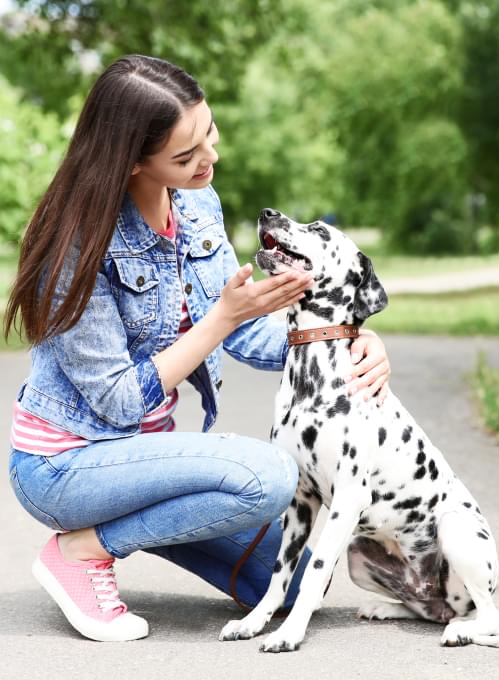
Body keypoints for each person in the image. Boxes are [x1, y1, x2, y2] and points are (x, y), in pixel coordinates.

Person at [4, 54, 391, 642]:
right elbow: (119, 402)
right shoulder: (76, 243)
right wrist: (221, 318)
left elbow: (249, 335)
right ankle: (83, 549)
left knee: (288, 588)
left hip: (142, 462)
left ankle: (132, 526)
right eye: (185, 156)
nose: (209, 158)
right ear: (132, 160)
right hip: (66, 467)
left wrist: (347, 338)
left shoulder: (196, 205)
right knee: (268, 476)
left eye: (209, 132)